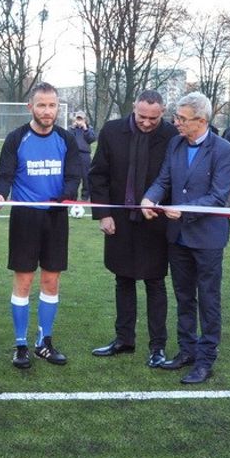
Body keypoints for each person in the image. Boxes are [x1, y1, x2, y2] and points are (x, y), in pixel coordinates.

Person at [140, 91, 230, 385]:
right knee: (183, 296)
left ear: (201, 120)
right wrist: (149, 198)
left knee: (208, 298)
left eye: (182, 119)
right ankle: (187, 350)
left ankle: (206, 360)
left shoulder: (224, 150)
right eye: (176, 117)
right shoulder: (176, 144)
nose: (176, 123)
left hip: (207, 238)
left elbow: (218, 197)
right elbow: (164, 179)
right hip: (178, 237)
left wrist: (182, 211)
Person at [0, 82, 84, 369]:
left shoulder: (66, 139)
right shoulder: (17, 138)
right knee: (24, 281)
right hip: (25, 216)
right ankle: (20, 345)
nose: (47, 111)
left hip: (55, 216)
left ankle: (44, 342)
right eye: (41, 105)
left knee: (51, 280)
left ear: (58, 108)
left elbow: (74, 175)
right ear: (31, 107)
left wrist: (64, 196)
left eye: (52, 105)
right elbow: (4, 175)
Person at [88, 90, 179, 367]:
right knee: (123, 279)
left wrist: (164, 205)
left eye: (154, 117)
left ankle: (157, 347)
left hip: (156, 221)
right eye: (142, 116)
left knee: (155, 282)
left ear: (163, 112)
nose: (148, 122)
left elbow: (175, 178)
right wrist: (103, 214)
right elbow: (98, 175)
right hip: (120, 220)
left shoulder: (172, 136)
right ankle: (124, 340)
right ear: (133, 108)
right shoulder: (112, 131)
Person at [70, 110, 96, 200]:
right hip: (74, 155)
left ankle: (85, 197)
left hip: (85, 155)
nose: (79, 120)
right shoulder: (71, 129)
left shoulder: (89, 128)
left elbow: (92, 139)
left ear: (85, 119)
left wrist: (85, 129)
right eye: (78, 118)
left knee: (86, 177)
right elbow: (68, 139)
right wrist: (73, 128)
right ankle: (73, 197)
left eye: (81, 118)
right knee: (74, 176)